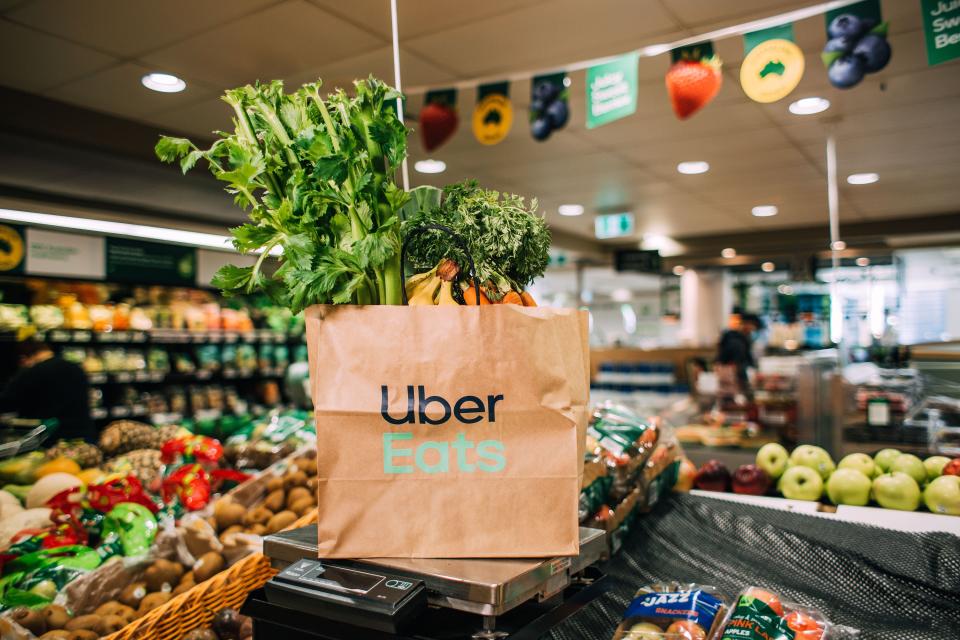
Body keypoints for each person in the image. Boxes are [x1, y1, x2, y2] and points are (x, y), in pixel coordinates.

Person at [0, 342, 95, 442]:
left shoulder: (32, 373)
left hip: (50, 441)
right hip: (84, 437)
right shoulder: (77, 368)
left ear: (24, 357)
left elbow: (6, 403)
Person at [716, 313, 763, 395]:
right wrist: (744, 383)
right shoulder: (736, 341)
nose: (753, 330)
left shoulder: (739, 337)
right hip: (731, 377)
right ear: (746, 324)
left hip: (730, 375)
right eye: (753, 326)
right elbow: (736, 364)